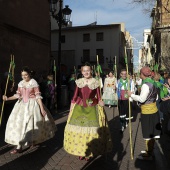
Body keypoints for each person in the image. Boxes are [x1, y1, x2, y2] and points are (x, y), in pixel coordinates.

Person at [63, 62, 112, 161]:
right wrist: (71, 109)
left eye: (88, 70)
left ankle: (88, 152)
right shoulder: (79, 82)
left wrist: (101, 102)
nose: (86, 72)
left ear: (91, 71)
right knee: (79, 129)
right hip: (79, 108)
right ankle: (81, 151)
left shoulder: (95, 82)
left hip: (92, 107)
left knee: (91, 131)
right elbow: (75, 97)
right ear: (81, 72)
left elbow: (98, 97)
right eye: (84, 71)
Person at [2, 66, 56, 154]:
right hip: (21, 106)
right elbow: (17, 95)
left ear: (29, 74)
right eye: (22, 75)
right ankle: (19, 146)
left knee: (31, 125)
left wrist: (42, 109)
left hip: (32, 106)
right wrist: (7, 98)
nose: (24, 77)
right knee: (19, 125)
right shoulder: (20, 83)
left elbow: (38, 96)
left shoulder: (33, 83)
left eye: (26, 75)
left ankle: (32, 140)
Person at [128, 66, 161, 160]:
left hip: (147, 112)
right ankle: (149, 150)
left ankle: (148, 153)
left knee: (148, 132)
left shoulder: (146, 85)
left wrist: (132, 95)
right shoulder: (153, 82)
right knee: (152, 132)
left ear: (142, 74)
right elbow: (157, 97)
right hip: (154, 110)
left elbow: (142, 99)